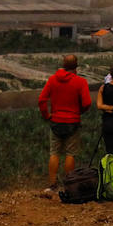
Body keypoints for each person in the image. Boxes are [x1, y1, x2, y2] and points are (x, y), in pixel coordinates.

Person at [38, 53, 92, 194]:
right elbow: (87, 103)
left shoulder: (52, 80)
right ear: (76, 67)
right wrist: (78, 112)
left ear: (63, 65)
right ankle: (69, 185)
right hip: (73, 122)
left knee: (54, 153)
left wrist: (47, 115)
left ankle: (52, 185)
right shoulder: (80, 82)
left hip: (56, 121)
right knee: (70, 154)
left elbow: (42, 100)